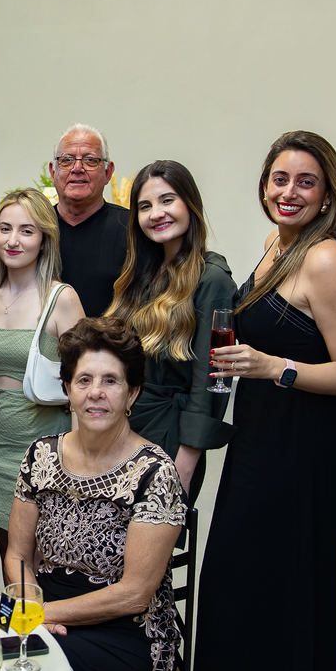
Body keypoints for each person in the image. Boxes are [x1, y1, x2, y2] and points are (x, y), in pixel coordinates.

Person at [193, 131, 336, 671]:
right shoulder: (278, 243)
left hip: (303, 448)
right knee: (245, 580)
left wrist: (274, 367)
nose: (289, 192)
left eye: (306, 182)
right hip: (258, 437)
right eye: (280, 178)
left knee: (284, 584)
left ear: (328, 195)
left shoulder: (326, 257)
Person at [4, 316, 185, 671]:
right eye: (84, 380)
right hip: (45, 615)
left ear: (132, 393)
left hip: (127, 637)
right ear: (67, 391)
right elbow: (18, 554)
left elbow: (134, 595)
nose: (96, 392)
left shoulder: (155, 473)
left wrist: (44, 615)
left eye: (111, 381)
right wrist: (31, 607)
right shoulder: (40, 455)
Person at [106, 160, 237, 503]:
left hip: (170, 433)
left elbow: (210, 381)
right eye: (145, 206)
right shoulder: (141, 272)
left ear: (190, 204)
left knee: (151, 534)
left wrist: (185, 466)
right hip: (124, 424)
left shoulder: (212, 280)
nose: (156, 214)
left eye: (167, 200)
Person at [0, 188, 84, 552]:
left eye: (26, 230)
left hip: (44, 446)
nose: (13, 240)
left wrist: (79, 457)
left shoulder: (62, 298)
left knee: (42, 558)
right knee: (9, 556)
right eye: (5, 228)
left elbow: (85, 381)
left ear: (44, 239)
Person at [49, 123, 129, 317]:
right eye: (67, 160)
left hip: (112, 335)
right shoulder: (35, 227)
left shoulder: (131, 227)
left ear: (108, 172)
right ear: (52, 172)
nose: (77, 168)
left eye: (90, 160)